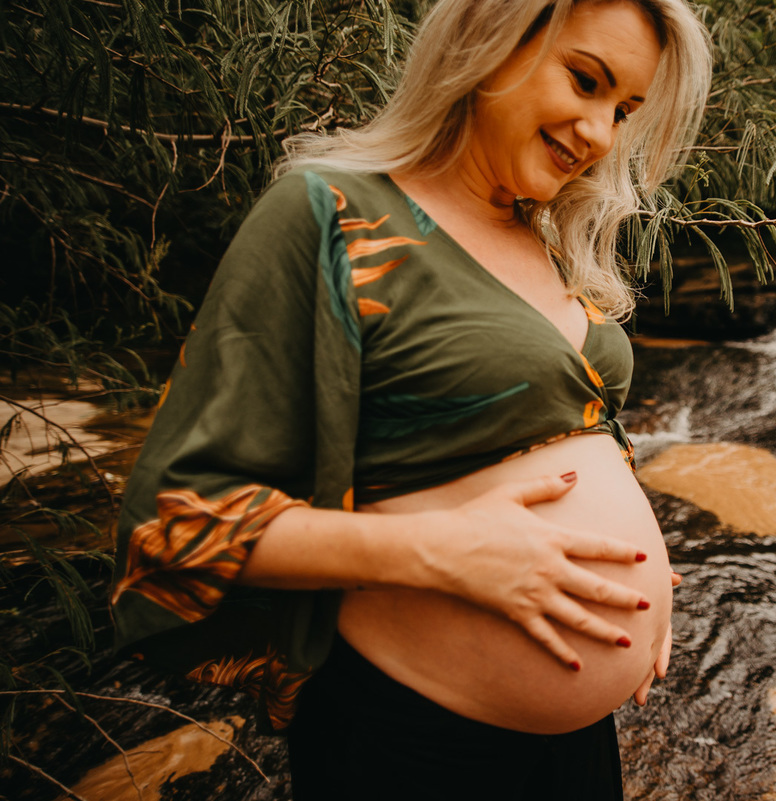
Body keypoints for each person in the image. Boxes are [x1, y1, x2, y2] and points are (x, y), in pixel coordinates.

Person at [109, 0, 711, 797]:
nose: (600, 134)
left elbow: (564, 431)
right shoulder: (330, 213)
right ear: (488, 41)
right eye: (585, 79)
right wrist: (445, 551)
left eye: (623, 110)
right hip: (410, 741)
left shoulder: (549, 244)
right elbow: (176, 521)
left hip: (579, 746)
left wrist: (639, 571)